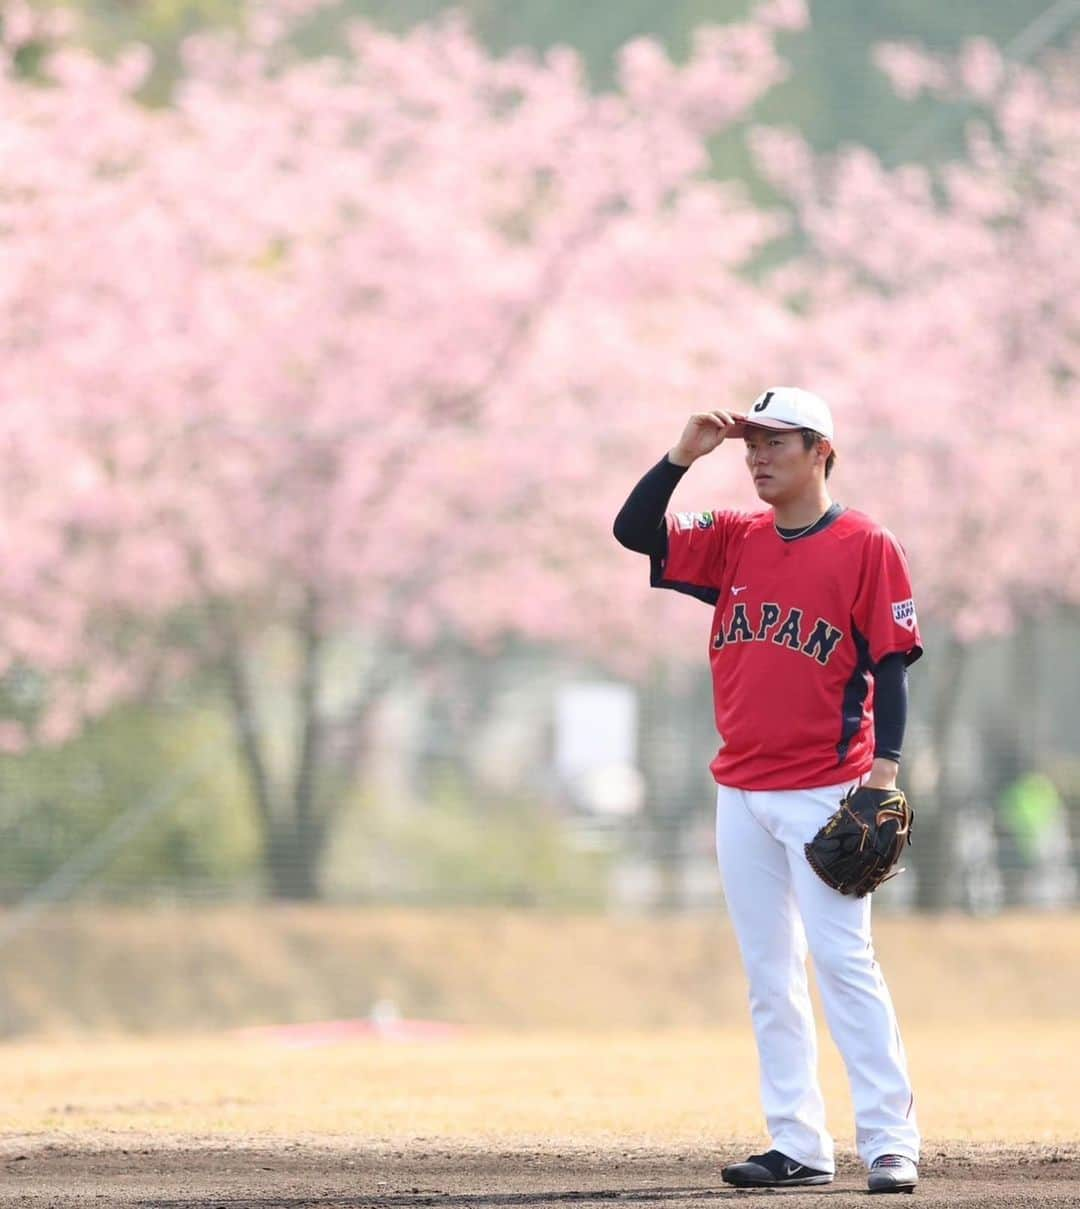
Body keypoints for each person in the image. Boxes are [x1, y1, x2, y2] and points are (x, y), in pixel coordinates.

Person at [613, 388, 921, 1195]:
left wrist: (882, 778)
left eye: (774, 442)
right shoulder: (736, 540)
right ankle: (800, 1144)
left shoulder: (864, 543)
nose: (756, 456)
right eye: (751, 443)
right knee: (769, 973)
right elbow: (632, 532)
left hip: (829, 788)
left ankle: (890, 1142)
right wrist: (683, 454)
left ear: (820, 449)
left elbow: (889, 663)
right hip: (740, 788)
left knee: (843, 964)